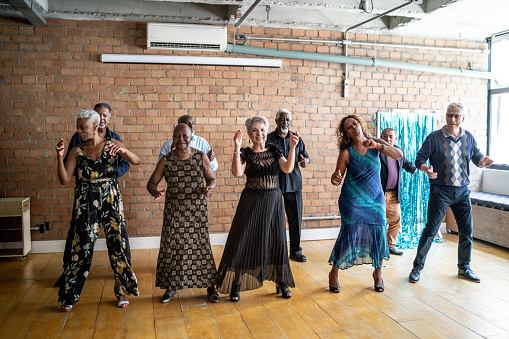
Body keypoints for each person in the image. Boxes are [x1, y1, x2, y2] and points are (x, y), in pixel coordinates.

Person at [55, 109, 140, 311]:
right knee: (82, 247)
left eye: (82, 127)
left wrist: (123, 151)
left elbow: (135, 160)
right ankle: (69, 295)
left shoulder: (111, 144)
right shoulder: (77, 150)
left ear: (95, 126)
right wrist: (59, 156)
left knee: (117, 245)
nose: (79, 131)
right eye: (78, 127)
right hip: (85, 201)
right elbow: (64, 179)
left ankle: (121, 292)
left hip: (111, 198)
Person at [217, 115, 299, 302]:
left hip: (273, 202)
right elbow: (237, 172)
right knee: (244, 240)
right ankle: (236, 284)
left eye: (262, 130)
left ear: (266, 131)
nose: (259, 134)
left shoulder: (274, 150)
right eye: (254, 130)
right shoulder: (245, 152)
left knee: (277, 240)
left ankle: (281, 282)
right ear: (248, 133)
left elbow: (287, 168)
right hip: (251, 202)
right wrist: (236, 147)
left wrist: (293, 147)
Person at [409, 103, 493, 284]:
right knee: (431, 230)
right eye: (449, 115)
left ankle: (464, 268)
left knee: (466, 231)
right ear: (445, 117)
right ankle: (417, 268)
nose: (452, 119)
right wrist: (426, 169)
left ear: (462, 118)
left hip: (463, 192)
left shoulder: (468, 137)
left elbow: (477, 157)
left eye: (456, 116)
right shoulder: (434, 138)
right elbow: (419, 159)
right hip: (440, 191)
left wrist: (483, 163)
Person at [329, 115, 403, 293]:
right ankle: (334, 273)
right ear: (346, 133)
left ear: (360, 125)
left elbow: (399, 155)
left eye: (354, 123)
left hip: (376, 200)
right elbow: (336, 180)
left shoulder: (375, 143)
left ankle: (378, 274)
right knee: (348, 235)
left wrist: (378, 145)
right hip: (352, 201)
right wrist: (334, 178)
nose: (353, 127)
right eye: (348, 127)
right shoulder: (347, 152)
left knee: (379, 234)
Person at [147, 123, 220, 303]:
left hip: (197, 210)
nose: (181, 140)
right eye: (177, 136)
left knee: (201, 246)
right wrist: (155, 192)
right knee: (173, 247)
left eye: (185, 136)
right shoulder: (166, 160)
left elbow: (211, 178)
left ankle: (210, 286)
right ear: (172, 138)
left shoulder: (200, 157)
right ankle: (172, 286)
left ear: (191, 138)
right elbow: (151, 183)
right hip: (174, 211)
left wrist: (209, 188)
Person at [267, 109, 310, 262]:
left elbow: (305, 156)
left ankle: (295, 251)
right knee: (273, 219)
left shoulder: (296, 138)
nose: (285, 122)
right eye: (282, 119)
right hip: (274, 185)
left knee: (295, 219)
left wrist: (306, 161)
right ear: (276, 121)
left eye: (287, 120)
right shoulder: (268, 139)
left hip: (294, 184)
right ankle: (274, 252)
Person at [379, 128, 417, 255]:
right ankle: (375, 247)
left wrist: (415, 168)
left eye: (391, 136)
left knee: (396, 220)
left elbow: (406, 163)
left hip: (394, 194)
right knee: (376, 221)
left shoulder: (398, 152)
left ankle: (390, 246)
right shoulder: (376, 151)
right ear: (381, 137)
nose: (388, 139)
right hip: (379, 193)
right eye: (385, 136)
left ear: (395, 138)